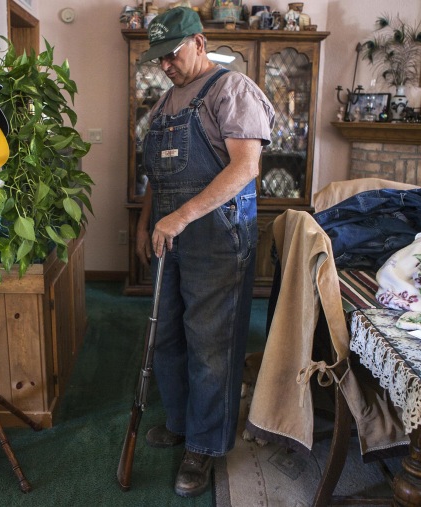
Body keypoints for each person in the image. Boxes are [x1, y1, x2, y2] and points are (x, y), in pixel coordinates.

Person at [134, 6, 275, 498]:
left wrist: (179, 217)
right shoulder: (165, 102)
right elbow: (156, 174)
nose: (164, 66)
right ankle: (179, 419)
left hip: (216, 236)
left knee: (211, 345)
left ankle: (205, 444)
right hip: (168, 234)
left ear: (198, 41)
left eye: (170, 55)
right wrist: (146, 220)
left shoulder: (232, 90)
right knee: (167, 334)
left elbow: (245, 168)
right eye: (158, 59)